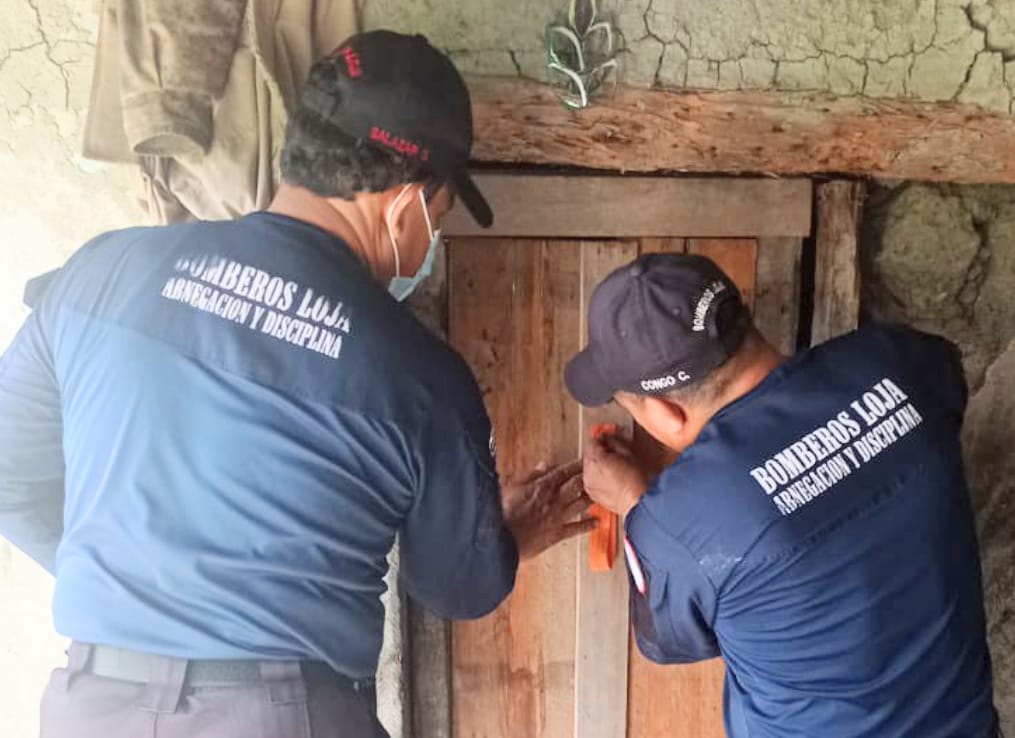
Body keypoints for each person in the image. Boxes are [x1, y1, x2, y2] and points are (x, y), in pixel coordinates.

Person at [0, 31, 592, 738]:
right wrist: (507, 535)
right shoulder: (417, 375)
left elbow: (10, 476)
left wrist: (133, 593)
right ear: (404, 204)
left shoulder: (102, 271)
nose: (432, 231)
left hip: (89, 706)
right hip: (278, 718)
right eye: (439, 212)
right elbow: (454, 586)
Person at [567, 252, 999, 738]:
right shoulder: (900, 361)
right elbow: (949, 389)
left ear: (667, 413)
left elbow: (671, 643)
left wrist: (634, 504)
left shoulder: (675, 525)